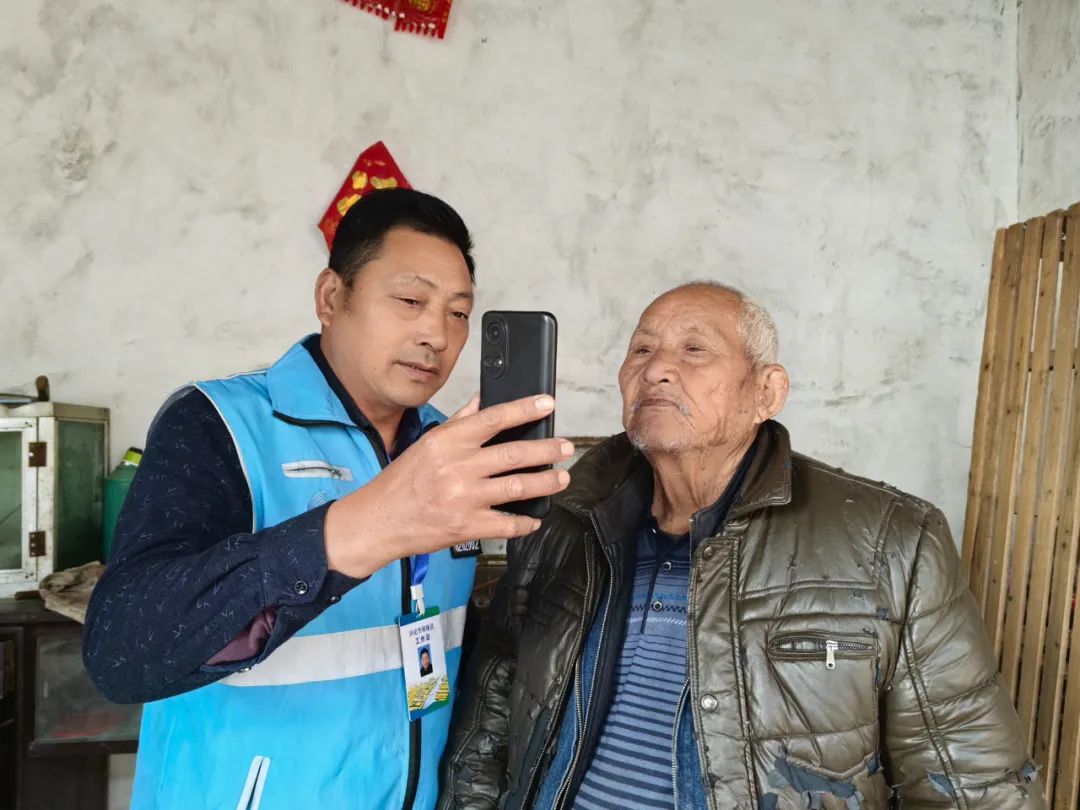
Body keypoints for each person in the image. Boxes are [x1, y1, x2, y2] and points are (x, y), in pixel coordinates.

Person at [441, 282, 1043, 809]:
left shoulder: (890, 541)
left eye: (694, 350)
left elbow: (972, 782)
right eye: (641, 350)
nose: (656, 369)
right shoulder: (562, 518)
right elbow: (488, 725)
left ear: (767, 392)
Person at [83, 188, 573, 810]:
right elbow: (122, 650)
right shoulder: (220, 423)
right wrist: (361, 528)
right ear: (332, 297)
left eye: (458, 313)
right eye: (410, 300)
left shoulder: (449, 450)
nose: (436, 334)